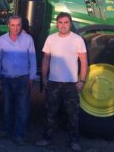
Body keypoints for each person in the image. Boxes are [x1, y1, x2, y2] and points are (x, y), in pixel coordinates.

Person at [35, 12, 88, 151]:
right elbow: (46, 59)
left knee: (72, 115)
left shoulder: (77, 40)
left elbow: (83, 61)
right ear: (57, 24)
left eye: (66, 22)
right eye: (60, 22)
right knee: (49, 113)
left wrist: (82, 80)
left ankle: (74, 141)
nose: (63, 25)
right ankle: (46, 138)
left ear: (70, 24)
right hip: (53, 83)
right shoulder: (51, 39)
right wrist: (44, 78)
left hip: (71, 84)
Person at [0, 16, 37, 146]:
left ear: (21, 25)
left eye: (18, 25)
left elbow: (33, 59)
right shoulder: (2, 40)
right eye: (13, 25)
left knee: (22, 108)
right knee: (7, 106)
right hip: (7, 79)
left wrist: (32, 77)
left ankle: (19, 134)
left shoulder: (28, 39)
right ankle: (7, 130)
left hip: (23, 78)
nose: (15, 28)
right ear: (8, 25)